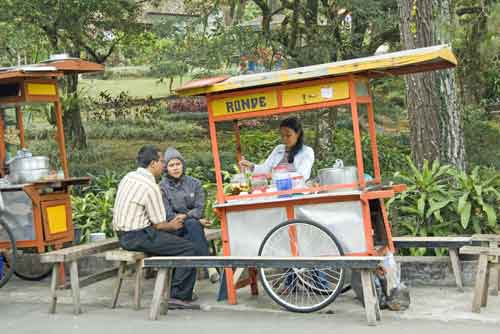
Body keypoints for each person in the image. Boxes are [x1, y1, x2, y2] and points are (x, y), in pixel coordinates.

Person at [112, 145, 198, 309]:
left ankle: (177, 291)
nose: (164, 165)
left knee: (176, 241)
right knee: (188, 248)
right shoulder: (150, 186)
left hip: (122, 235)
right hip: (138, 236)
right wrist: (173, 225)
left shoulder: (128, 177)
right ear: (152, 163)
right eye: (161, 161)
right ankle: (178, 296)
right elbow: (159, 224)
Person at [159, 147, 211, 257]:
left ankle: (207, 267)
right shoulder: (162, 188)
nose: (175, 168)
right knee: (193, 226)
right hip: (174, 228)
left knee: (192, 228)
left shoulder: (195, 183)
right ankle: (211, 266)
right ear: (166, 168)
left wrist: (186, 216)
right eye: (171, 165)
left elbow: (199, 210)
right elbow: (169, 215)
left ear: (183, 165)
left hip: (193, 226)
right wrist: (194, 219)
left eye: (178, 164)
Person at [239, 116, 314, 181]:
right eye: (282, 135)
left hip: (297, 192)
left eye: (288, 135)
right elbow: (265, 169)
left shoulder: (307, 151)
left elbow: (302, 175)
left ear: (298, 133)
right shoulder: (279, 149)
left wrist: (275, 176)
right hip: (276, 191)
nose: (284, 139)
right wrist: (251, 166)